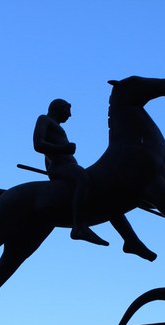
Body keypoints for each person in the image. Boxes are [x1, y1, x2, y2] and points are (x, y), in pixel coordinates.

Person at [33, 98, 108, 246]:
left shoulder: (57, 126)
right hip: (59, 166)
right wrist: (63, 149)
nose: (70, 115)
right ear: (58, 108)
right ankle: (79, 226)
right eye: (67, 110)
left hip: (68, 166)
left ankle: (130, 239)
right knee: (84, 179)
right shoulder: (44, 119)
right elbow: (38, 144)